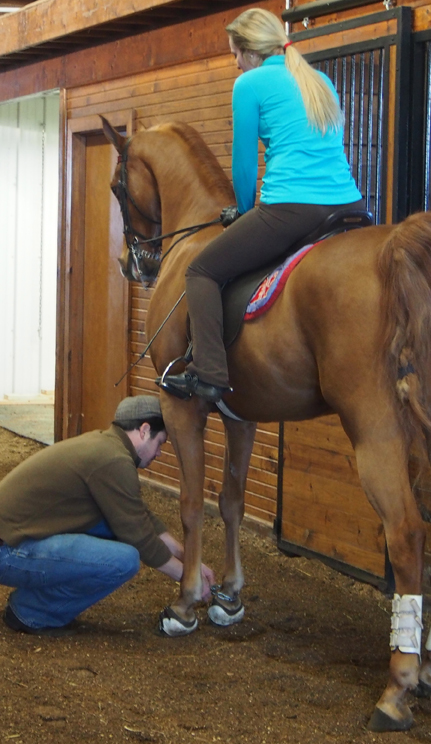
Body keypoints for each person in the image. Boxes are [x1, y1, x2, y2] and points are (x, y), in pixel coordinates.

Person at [161, 7, 363, 404]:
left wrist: (242, 208)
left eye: (234, 53)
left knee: (201, 270)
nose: (235, 63)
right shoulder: (319, 80)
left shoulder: (249, 84)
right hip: (349, 207)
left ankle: (209, 374)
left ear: (250, 51)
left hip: (291, 209)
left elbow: (244, 165)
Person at [0, 395, 215, 637]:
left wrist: (189, 559)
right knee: (124, 560)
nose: (159, 454)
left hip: (11, 542)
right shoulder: (113, 460)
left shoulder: (105, 446)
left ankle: (31, 604)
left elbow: (139, 516)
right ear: (144, 430)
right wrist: (187, 578)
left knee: (110, 526)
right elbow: (141, 537)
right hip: (7, 552)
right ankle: (32, 612)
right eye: (161, 443)